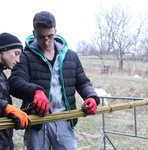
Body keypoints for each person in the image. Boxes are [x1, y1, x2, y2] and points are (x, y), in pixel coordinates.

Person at [9, 11, 100, 150]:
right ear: (34, 33)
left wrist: (92, 97)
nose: (46, 41)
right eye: (41, 37)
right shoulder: (25, 56)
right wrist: (35, 92)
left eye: (50, 36)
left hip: (64, 119)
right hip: (36, 121)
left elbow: (82, 82)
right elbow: (15, 82)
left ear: (56, 31)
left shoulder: (71, 56)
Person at [0, 32, 31, 150]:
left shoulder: (2, 75)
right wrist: (5, 107)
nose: (18, 60)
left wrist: (22, 113)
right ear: (3, 49)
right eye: (16, 53)